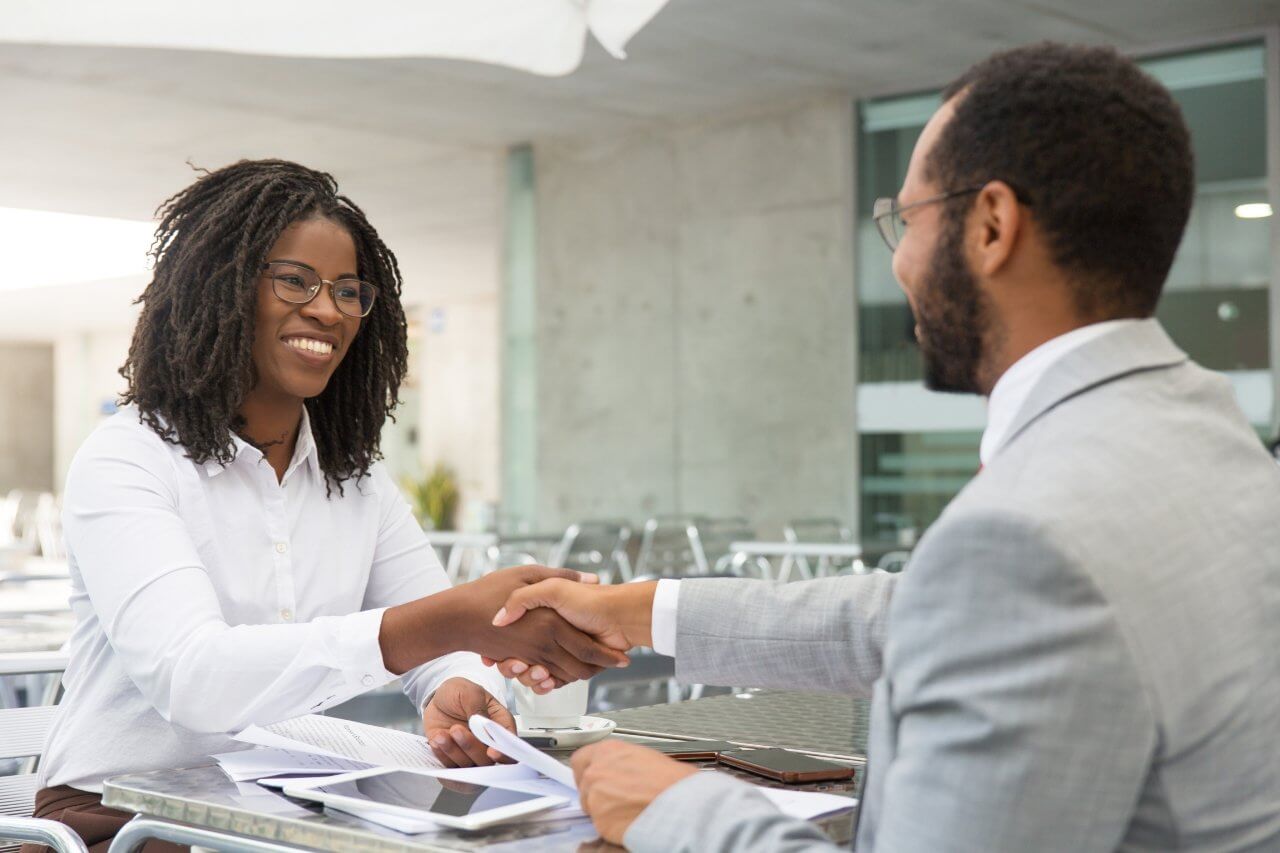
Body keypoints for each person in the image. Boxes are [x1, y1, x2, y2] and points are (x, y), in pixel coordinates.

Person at [488, 43, 1280, 851]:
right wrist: (629, 609)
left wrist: (680, 810)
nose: (899, 260)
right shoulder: (1219, 448)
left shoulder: (1030, 534)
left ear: (993, 225)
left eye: (907, 220)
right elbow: (900, 618)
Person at [29, 160, 626, 852]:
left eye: (348, 290)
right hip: (121, 816)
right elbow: (193, 678)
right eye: (295, 280)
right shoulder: (128, 458)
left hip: (283, 801)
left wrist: (457, 686)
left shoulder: (357, 480)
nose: (328, 309)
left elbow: (439, 644)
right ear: (218, 288)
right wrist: (446, 623)